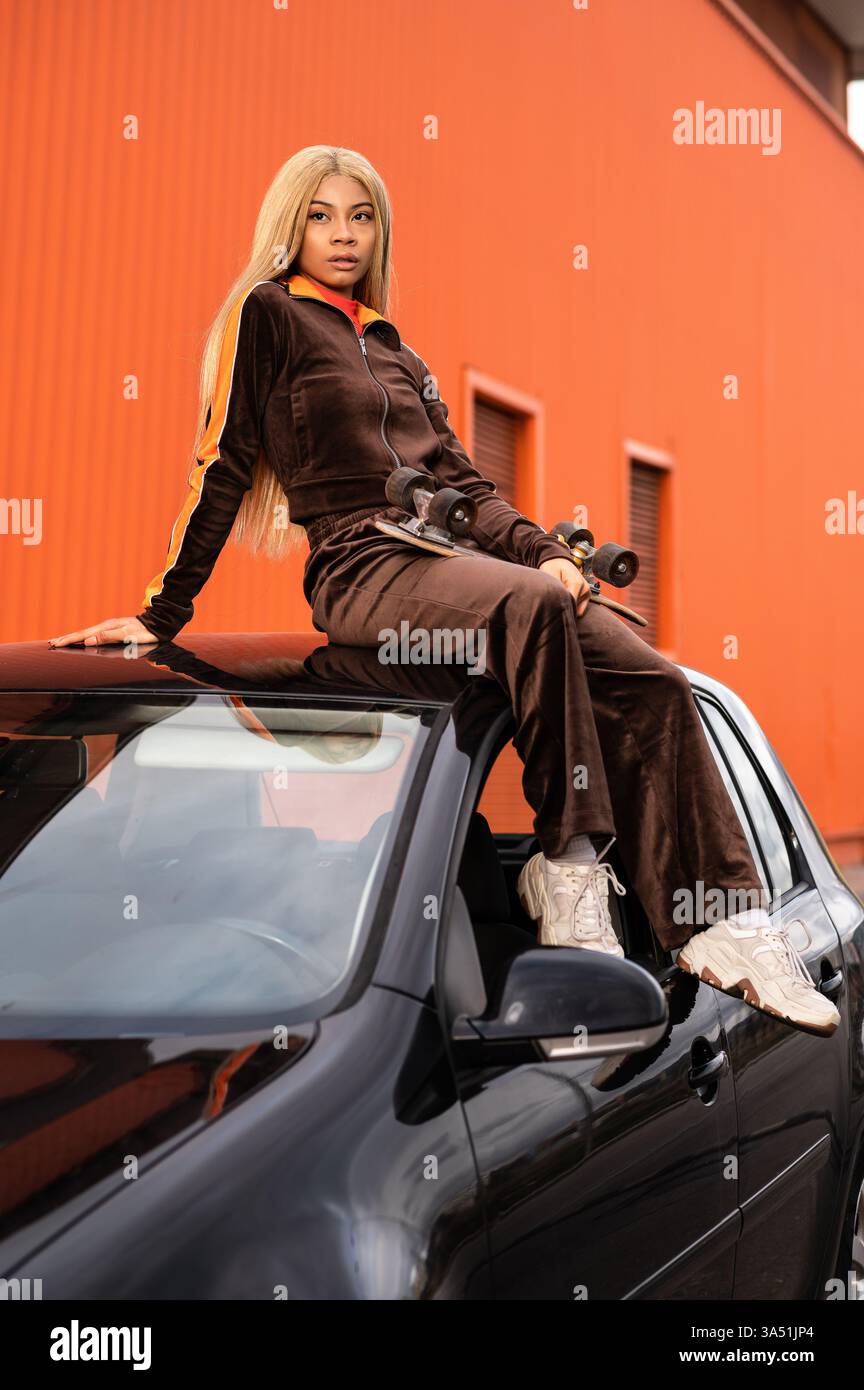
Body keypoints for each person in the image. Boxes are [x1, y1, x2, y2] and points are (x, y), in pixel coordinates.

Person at [47, 144, 839, 1036]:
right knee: (528, 607)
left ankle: (723, 921)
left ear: (381, 230)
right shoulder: (265, 316)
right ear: (289, 225)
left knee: (645, 673)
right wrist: (160, 615)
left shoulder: (394, 349)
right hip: (359, 567)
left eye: (361, 216)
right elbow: (219, 466)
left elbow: (463, 486)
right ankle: (567, 867)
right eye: (321, 215)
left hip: (448, 565)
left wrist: (546, 552)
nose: (343, 234)